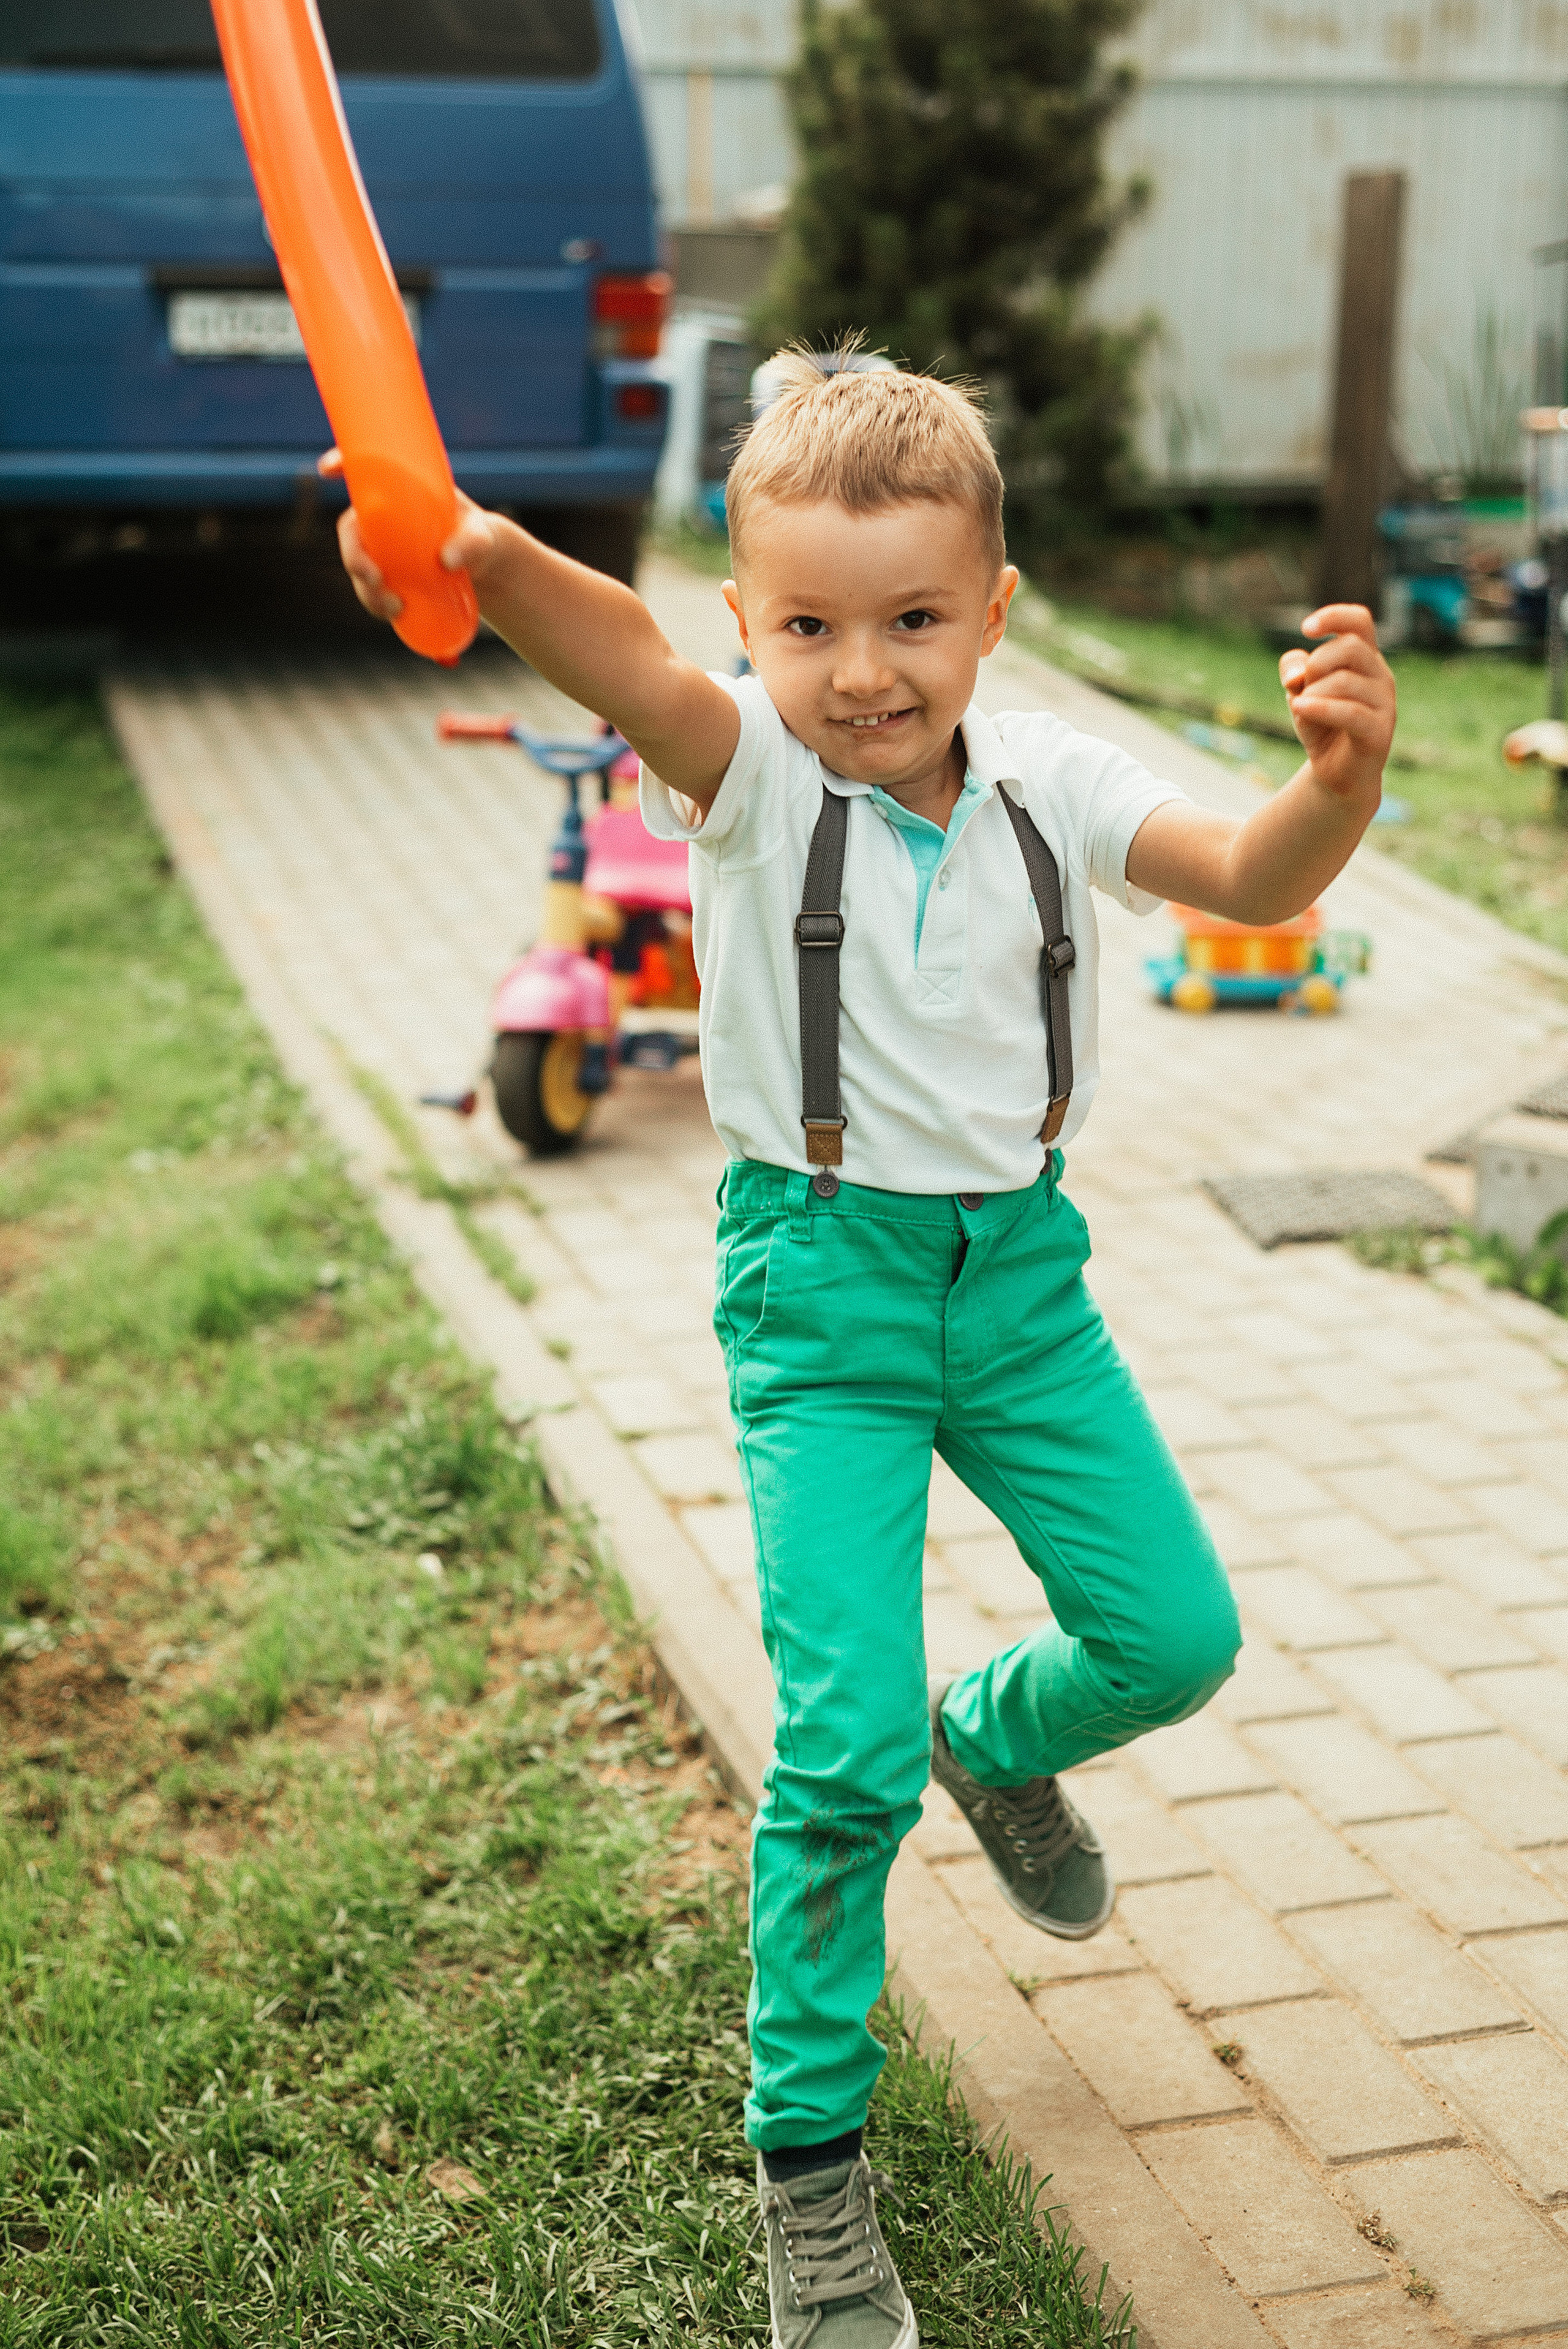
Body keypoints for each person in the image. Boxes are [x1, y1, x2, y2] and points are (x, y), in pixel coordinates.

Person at [336, 350, 1397, 2349]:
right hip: (816, 1288)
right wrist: (472, 552)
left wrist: (1333, 788)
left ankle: (996, 1742)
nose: (866, 670)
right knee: (837, 1744)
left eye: (914, 619)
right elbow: (625, 659)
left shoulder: (1058, 781)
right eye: (810, 624)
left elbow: (1253, 881)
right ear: (753, 623)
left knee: (1175, 1637)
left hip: (1024, 1286)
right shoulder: (741, 776)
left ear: (992, 610)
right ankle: (810, 2167)